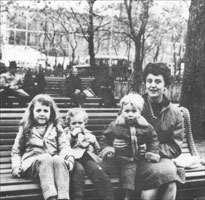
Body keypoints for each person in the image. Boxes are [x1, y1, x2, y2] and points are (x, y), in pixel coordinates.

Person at [114, 63, 185, 200]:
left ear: (166, 86)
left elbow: (175, 147)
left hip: (160, 158)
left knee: (170, 183)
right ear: (145, 84)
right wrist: (121, 144)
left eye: (158, 81)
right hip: (134, 160)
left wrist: (152, 151)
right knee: (164, 181)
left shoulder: (175, 113)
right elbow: (118, 130)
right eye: (149, 81)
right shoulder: (133, 105)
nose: (153, 85)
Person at [11, 94, 75, 200]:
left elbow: (64, 146)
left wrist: (69, 159)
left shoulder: (56, 127)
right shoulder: (26, 128)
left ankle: (63, 197)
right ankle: (51, 197)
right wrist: (16, 166)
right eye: (38, 110)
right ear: (32, 112)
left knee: (58, 159)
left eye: (45, 111)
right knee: (45, 158)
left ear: (51, 113)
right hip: (32, 164)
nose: (42, 114)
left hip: (52, 164)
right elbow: (16, 150)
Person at [100, 93, 160, 200]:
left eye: (134, 111)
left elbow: (153, 139)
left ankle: (127, 196)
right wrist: (109, 148)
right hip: (117, 158)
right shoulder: (116, 125)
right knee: (103, 171)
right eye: (126, 111)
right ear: (121, 112)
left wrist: (151, 153)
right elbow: (105, 138)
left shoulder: (145, 126)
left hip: (133, 159)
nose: (130, 114)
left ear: (139, 112)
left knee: (129, 173)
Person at [64, 108, 114, 200]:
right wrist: (72, 135)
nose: (77, 126)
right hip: (73, 159)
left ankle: (108, 197)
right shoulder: (66, 134)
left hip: (87, 158)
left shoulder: (89, 135)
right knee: (79, 171)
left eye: (80, 123)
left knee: (97, 170)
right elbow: (63, 144)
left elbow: (98, 150)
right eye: (74, 123)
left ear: (84, 123)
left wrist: (94, 142)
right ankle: (78, 197)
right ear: (69, 124)